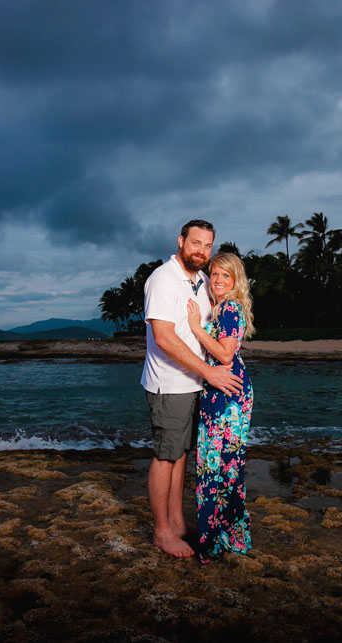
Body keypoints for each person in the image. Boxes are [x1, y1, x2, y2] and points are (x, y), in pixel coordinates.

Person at [141, 220, 244, 558]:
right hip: (169, 384)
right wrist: (209, 372)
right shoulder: (164, 279)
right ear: (181, 241)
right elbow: (163, 337)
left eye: (207, 245)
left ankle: (176, 522)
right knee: (165, 456)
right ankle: (162, 533)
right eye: (195, 242)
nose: (201, 251)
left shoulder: (201, 280)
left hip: (194, 384)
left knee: (181, 454)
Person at [185, 252, 255, 564]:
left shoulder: (229, 308)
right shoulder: (224, 308)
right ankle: (230, 537)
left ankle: (214, 542)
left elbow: (225, 356)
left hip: (227, 394)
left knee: (216, 466)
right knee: (227, 466)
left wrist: (196, 327)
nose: (218, 280)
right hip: (227, 389)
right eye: (214, 274)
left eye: (226, 275)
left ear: (236, 279)